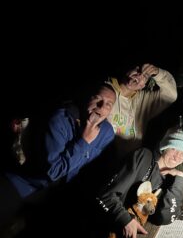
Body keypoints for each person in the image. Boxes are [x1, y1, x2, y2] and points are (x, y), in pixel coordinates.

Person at [0, 83, 116, 229]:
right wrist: (84, 141)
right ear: (88, 98)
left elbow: (92, 170)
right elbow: (53, 172)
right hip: (26, 185)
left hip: (57, 196)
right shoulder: (60, 120)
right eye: (97, 99)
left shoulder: (106, 132)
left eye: (108, 104)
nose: (101, 106)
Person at [96, 129, 183, 238]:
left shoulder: (170, 179)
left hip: (129, 237)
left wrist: (180, 179)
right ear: (165, 146)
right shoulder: (143, 157)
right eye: (175, 148)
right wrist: (126, 220)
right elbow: (106, 195)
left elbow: (165, 218)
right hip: (103, 226)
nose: (177, 157)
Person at [106, 63, 177, 163]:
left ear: (143, 85)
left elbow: (171, 95)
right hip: (104, 161)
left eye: (145, 76)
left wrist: (158, 73)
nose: (139, 76)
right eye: (137, 70)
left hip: (132, 163)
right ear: (128, 70)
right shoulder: (106, 91)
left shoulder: (142, 99)